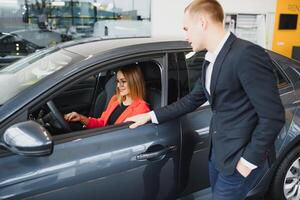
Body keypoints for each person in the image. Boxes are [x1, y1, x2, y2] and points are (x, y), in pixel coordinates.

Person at [125, 0, 285, 199]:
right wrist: (151, 116)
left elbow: (273, 116)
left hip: (240, 159)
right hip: (218, 155)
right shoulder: (210, 58)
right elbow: (192, 100)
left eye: (186, 28)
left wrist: (248, 162)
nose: (185, 36)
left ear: (202, 23)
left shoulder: (246, 54)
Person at [64, 65, 150, 129]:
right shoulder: (115, 99)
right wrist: (81, 118)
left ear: (134, 82)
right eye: (117, 81)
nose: (119, 85)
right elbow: (101, 123)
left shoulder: (142, 109)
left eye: (123, 81)